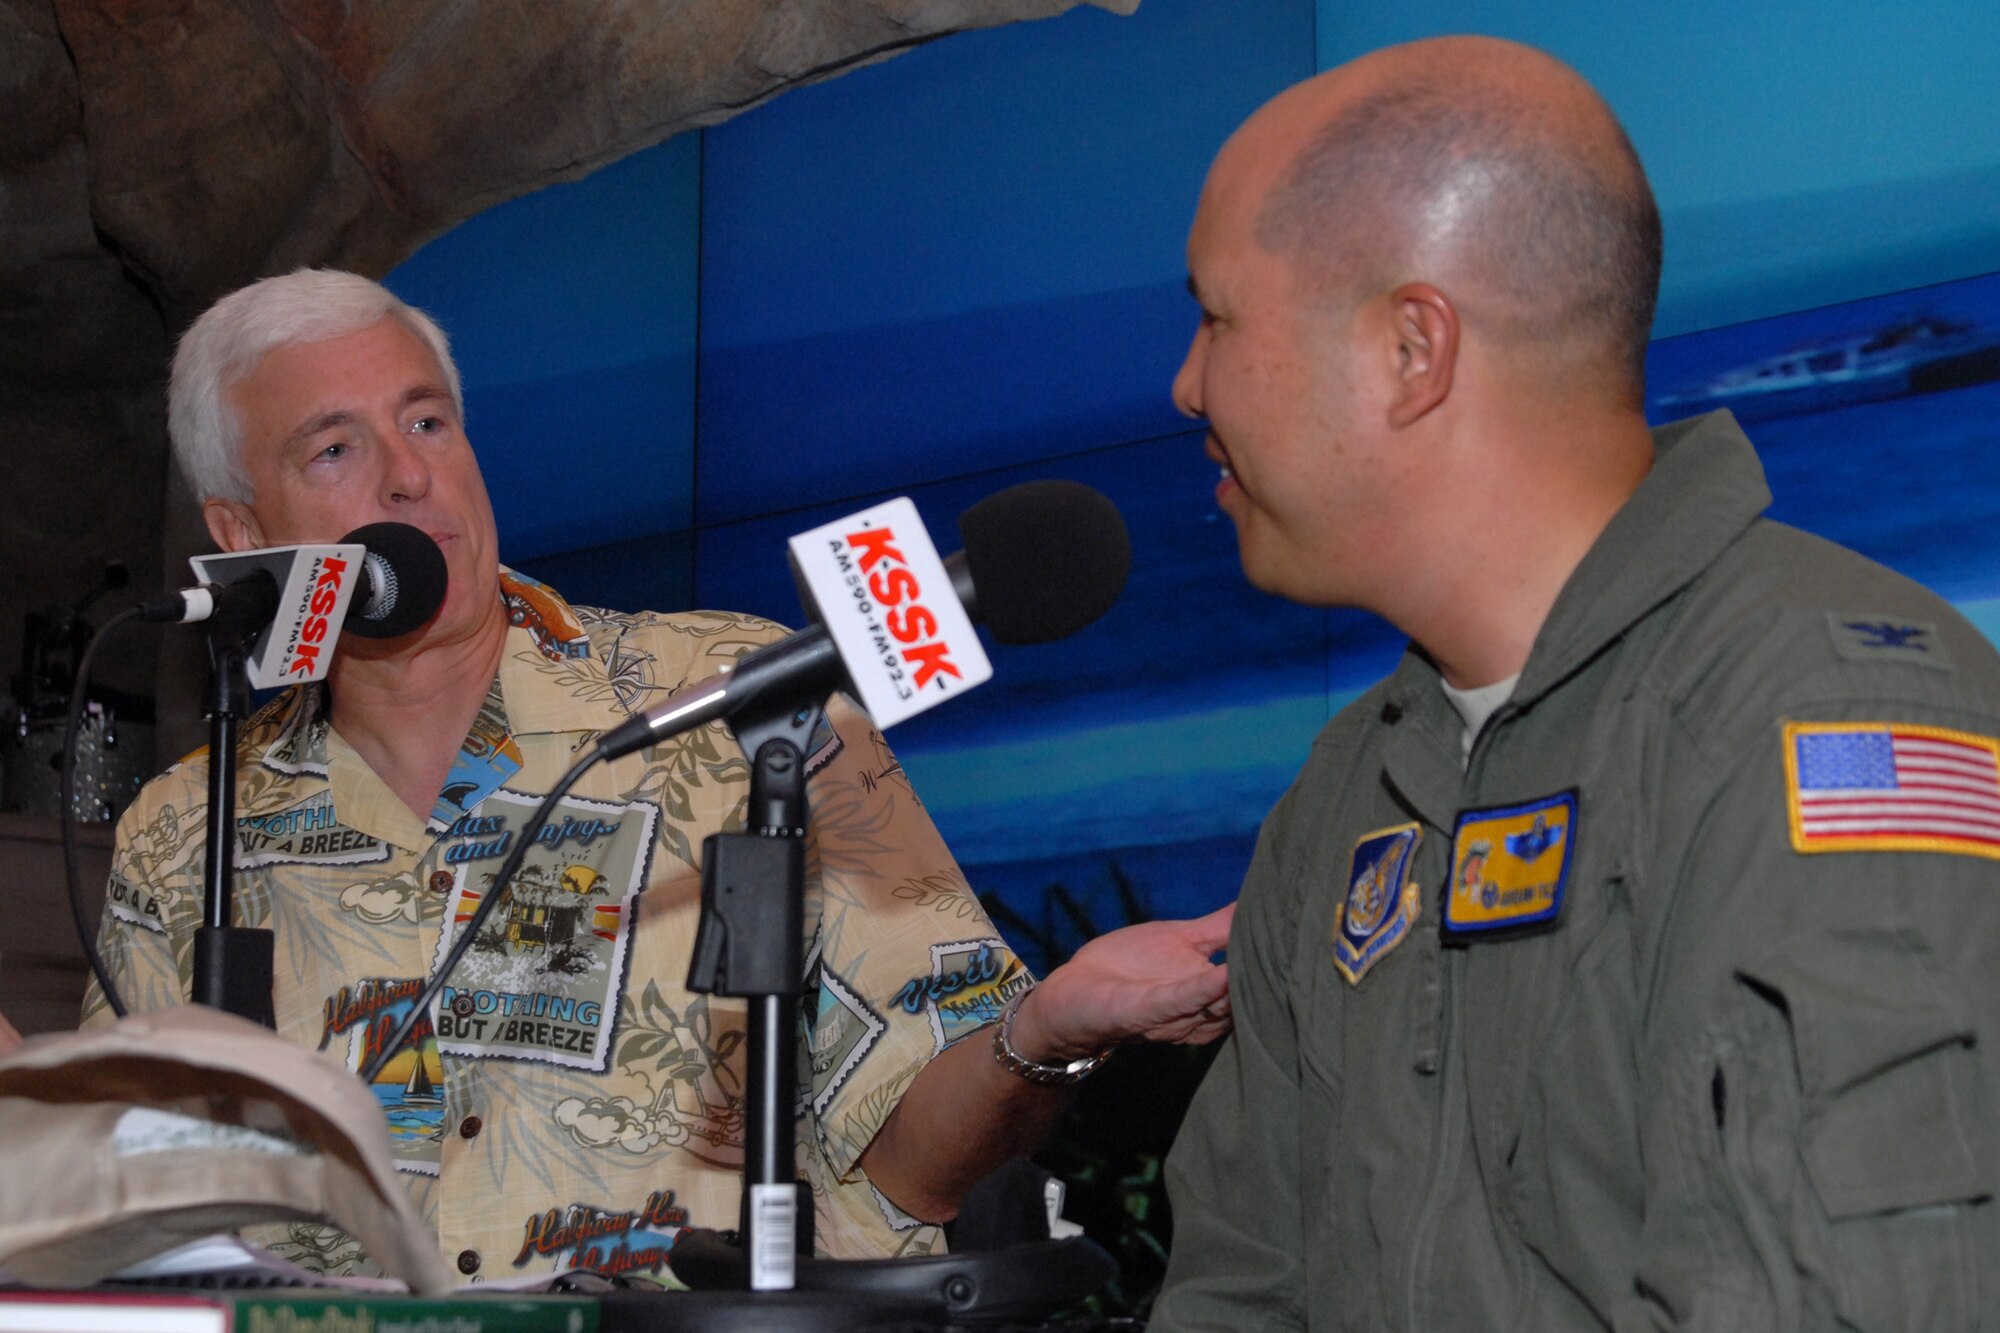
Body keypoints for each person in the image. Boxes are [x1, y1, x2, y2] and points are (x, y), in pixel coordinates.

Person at [86, 267, 1234, 1282]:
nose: (407, 477)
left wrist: (1044, 1028)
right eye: (335, 449)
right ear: (243, 530)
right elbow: (127, 1227)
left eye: (427, 421)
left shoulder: (741, 697)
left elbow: (919, 1169)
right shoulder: (184, 832)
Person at [1152, 34, 2000, 1330]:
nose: (1185, 385)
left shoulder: (1823, 725)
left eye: (1217, 317)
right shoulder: (1347, 792)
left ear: (1412, 348)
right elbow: (1239, 1283)